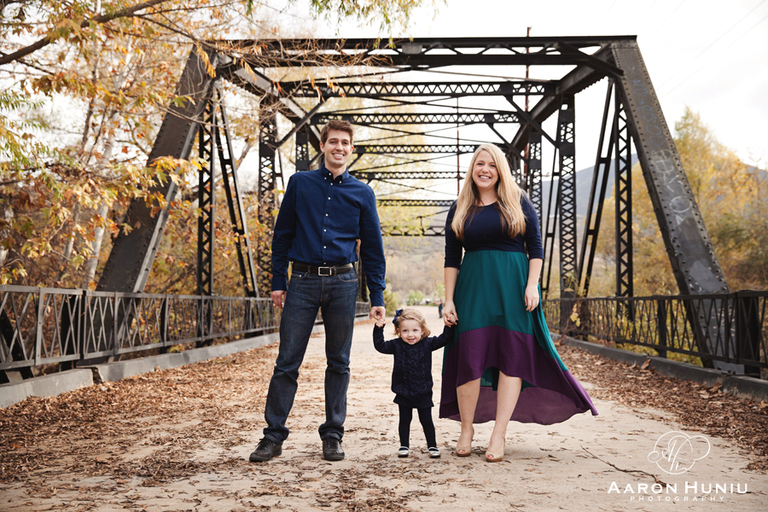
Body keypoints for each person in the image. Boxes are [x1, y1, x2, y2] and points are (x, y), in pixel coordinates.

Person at [440, 143, 597, 463]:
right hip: (474, 289)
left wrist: (532, 286)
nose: (484, 169)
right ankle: (467, 430)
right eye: (479, 164)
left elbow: (536, 247)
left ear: (500, 170)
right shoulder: (460, 207)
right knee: (470, 359)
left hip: (514, 287)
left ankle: (499, 434)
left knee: (512, 359)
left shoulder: (517, 199)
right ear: (472, 169)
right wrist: (448, 300)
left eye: (492, 165)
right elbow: (451, 259)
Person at [250, 120, 386, 463]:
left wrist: (377, 296)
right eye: (333, 142)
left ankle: (333, 435)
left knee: (339, 362)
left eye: (345, 143)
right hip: (303, 281)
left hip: (343, 282)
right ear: (323, 146)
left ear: (351, 149)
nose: (339, 147)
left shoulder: (362, 193)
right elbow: (282, 236)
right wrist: (278, 280)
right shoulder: (300, 183)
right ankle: (273, 437)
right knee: (287, 362)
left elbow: (372, 248)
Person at [373, 308, 455, 458]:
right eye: (405, 331)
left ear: (422, 330)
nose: (410, 335)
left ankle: (432, 446)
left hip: (423, 391)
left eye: (415, 330)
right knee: (404, 420)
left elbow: (444, 338)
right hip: (403, 391)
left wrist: (449, 325)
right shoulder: (396, 345)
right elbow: (380, 346)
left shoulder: (428, 344)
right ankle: (404, 445)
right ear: (398, 331)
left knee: (426, 421)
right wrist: (378, 329)